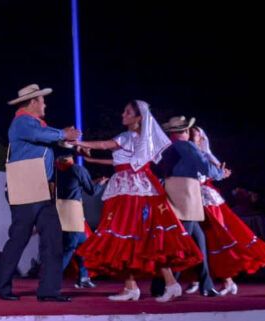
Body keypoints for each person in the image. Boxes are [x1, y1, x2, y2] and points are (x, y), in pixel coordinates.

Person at [76, 100, 204, 302]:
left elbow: (103, 144)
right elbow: (119, 161)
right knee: (134, 238)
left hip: (130, 191)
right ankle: (139, 286)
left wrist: (77, 142)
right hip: (138, 186)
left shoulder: (127, 136)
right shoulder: (140, 139)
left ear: (138, 118)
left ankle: (158, 285)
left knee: (124, 234)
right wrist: (91, 160)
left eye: (127, 112)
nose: (122, 115)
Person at [0, 84, 80, 302]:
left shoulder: (33, 124)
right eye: (42, 101)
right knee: (20, 238)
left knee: (52, 238)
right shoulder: (23, 122)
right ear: (33, 102)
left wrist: (67, 139)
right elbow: (42, 134)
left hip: (39, 188)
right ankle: (2, 285)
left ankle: (49, 289)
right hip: (26, 187)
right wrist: (63, 134)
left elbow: (46, 137)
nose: (45, 104)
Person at [191, 125, 265, 295]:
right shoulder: (186, 152)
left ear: (202, 139)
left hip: (207, 201)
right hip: (189, 197)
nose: (194, 139)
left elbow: (217, 174)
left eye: (196, 136)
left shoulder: (206, 157)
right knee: (193, 238)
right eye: (191, 135)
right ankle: (195, 278)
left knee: (215, 238)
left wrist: (221, 173)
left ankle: (227, 280)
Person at [150, 116, 223, 298]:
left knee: (199, 241)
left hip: (173, 191)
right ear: (186, 131)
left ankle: (205, 285)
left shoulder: (167, 148)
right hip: (185, 194)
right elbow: (205, 167)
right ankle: (166, 284)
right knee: (182, 243)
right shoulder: (187, 146)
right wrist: (221, 173)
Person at [54, 144, 107, 289]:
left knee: (84, 245)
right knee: (69, 247)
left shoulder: (55, 168)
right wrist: (100, 184)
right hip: (73, 212)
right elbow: (91, 191)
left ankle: (84, 276)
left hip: (59, 209)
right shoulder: (78, 169)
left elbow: (74, 185)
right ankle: (52, 279)